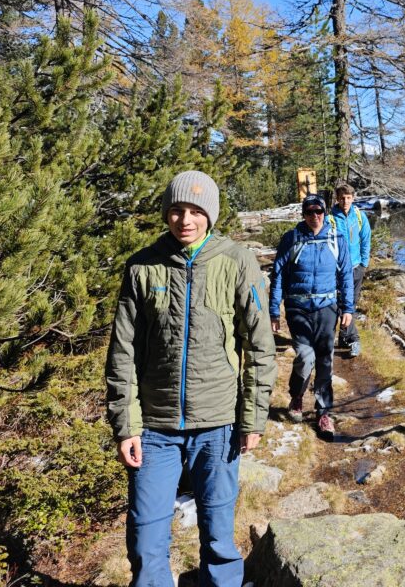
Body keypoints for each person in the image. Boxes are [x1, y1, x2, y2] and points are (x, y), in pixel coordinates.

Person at [105, 170, 276, 587]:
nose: (185, 220)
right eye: (177, 210)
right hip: (154, 429)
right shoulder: (142, 267)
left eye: (196, 211)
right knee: (146, 540)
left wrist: (252, 418)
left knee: (218, 537)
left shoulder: (236, 261)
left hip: (218, 427)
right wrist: (126, 425)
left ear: (210, 215)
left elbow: (259, 346)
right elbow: (122, 352)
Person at [268, 193, 353, 435]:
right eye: (309, 212)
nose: (314, 216)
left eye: (319, 212)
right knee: (305, 356)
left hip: (327, 307)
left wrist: (348, 308)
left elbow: (345, 275)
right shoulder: (292, 239)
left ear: (325, 213)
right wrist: (275, 311)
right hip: (297, 306)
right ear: (303, 214)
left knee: (325, 358)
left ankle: (324, 412)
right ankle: (297, 396)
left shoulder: (336, 238)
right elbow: (278, 277)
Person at [331, 182, 371, 358]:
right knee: (341, 305)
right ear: (337, 199)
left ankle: (344, 338)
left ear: (353, 198)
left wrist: (364, 263)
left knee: (351, 304)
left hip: (356, 268)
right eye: (342, 198)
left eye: (348, 198)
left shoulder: (359, 216)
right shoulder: (330, 218)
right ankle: (353, 339)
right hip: (338, 270)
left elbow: (365, 239)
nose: (345, 201)